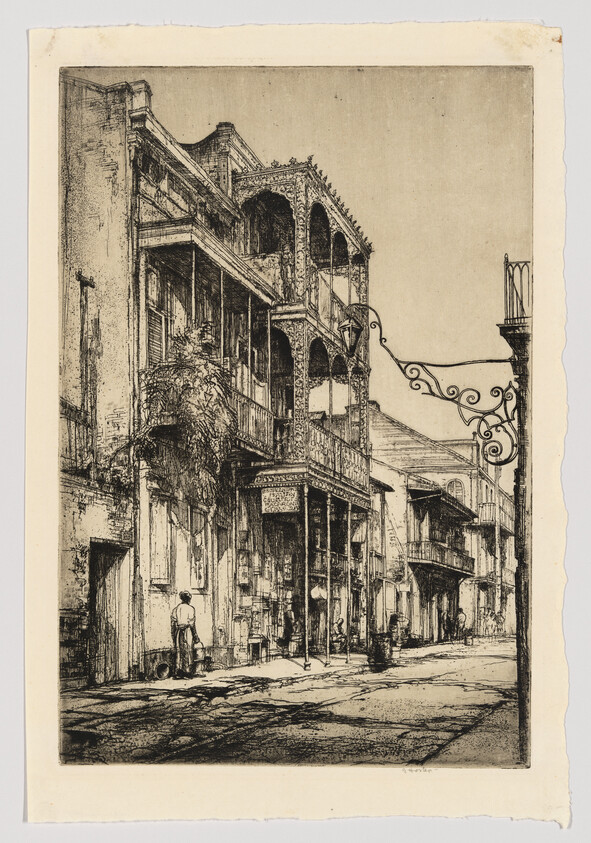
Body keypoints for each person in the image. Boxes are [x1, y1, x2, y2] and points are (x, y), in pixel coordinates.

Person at [171, 591, 200, 679]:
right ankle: (187, 671)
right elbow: (192, 624)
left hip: (179, 631)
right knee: (188, 650)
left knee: (179, 650)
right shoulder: (190, 608)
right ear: (188, 599)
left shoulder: (176, 609)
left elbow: (173, 623)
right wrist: (195, 635)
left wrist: (173, 635)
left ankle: (179, 670)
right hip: (187, 631)